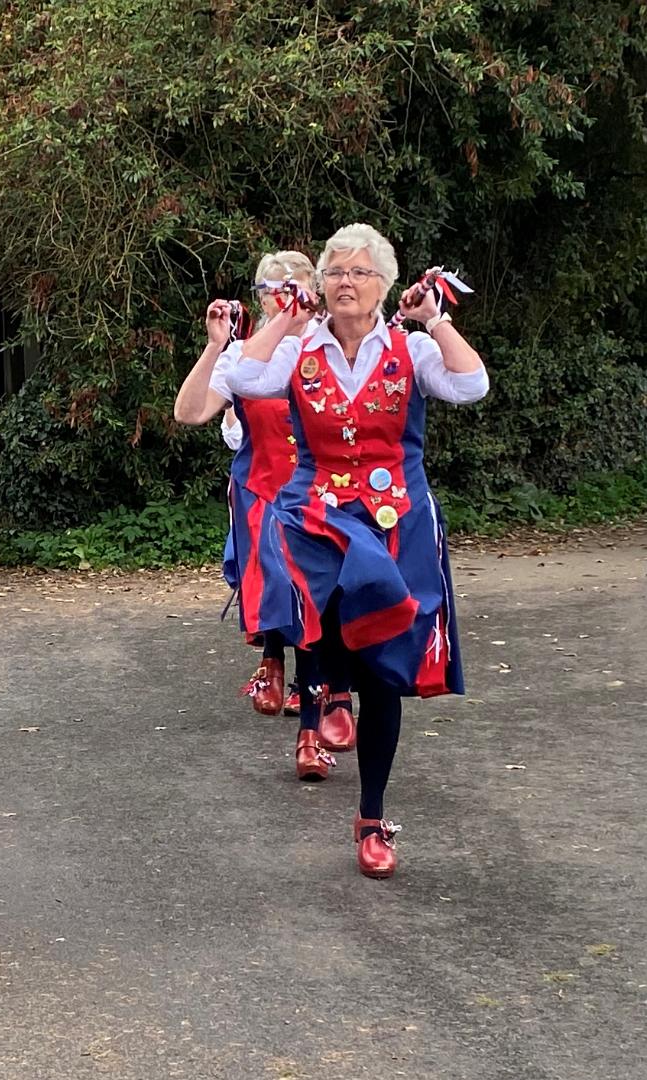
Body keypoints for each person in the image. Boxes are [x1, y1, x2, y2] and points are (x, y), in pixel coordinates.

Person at [226, 223, 489, 877]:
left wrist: (436, 321)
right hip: (318, 515)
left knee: (385, 678)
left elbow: (471, 385)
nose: (347, 282)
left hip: (396, 521)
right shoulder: (298, 349)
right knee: (319, 619)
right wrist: (285, 317)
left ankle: (371, 816)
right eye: (336, 271)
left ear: (384, 286)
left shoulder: (411, 349)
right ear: (321, 283)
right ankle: (321, 697)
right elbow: (244, 375)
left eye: (360, 272)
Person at [174, 252, 354, 782]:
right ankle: (285, 685)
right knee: (288, 591)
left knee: (326, 608)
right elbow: (189, 413)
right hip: (262, 494)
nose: (284, 299)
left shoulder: (335, 347)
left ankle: (310, 710)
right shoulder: (243, 356)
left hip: (325, 495)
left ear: (312, 295)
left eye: (292, 289)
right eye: (272, 291)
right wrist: (212, 347)